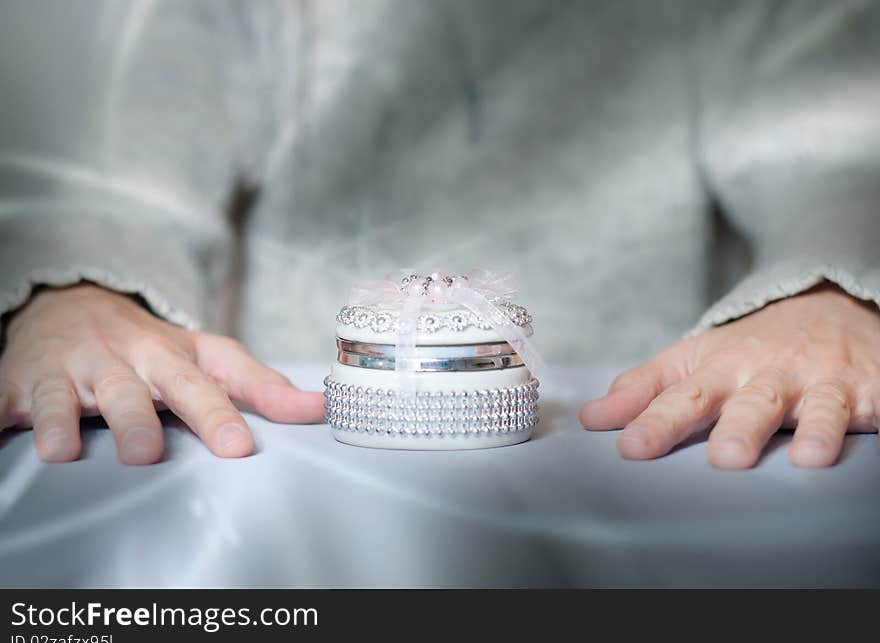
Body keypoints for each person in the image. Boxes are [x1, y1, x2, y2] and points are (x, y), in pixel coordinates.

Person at [1, 0, 878, 469]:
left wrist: (830, 291)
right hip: (304, 481)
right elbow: (126, 179)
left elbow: (840, 158)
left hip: (651, 473)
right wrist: (83, 292)